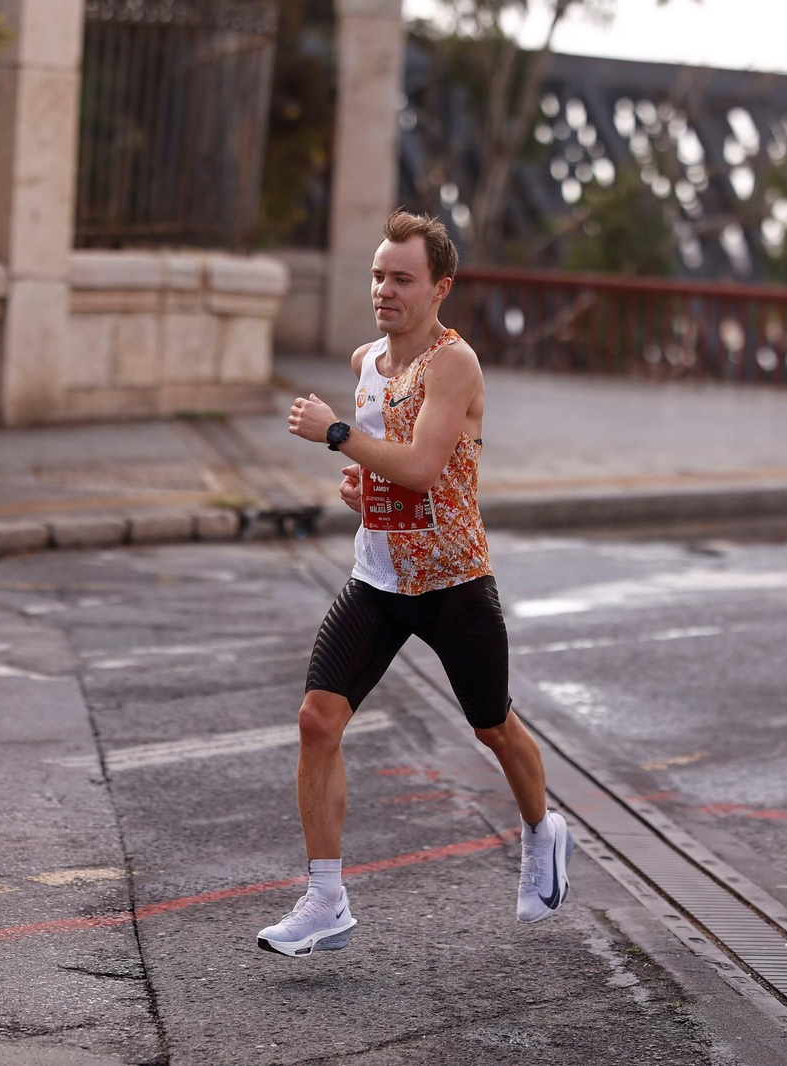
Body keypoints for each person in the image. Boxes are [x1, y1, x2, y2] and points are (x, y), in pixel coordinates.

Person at [256, 209, 573, 958]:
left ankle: (541, 832)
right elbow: (388, 470)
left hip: (453, 580)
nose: (384, 290)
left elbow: (427, 466)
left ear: (440, 288)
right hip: (378, 575)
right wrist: (359, 488)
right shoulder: (369, 362)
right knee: (317, 718)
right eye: (378, 276)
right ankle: (325, 899)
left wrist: (337, 433)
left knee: (493, 723)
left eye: (402, 278)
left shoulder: (453, 364)